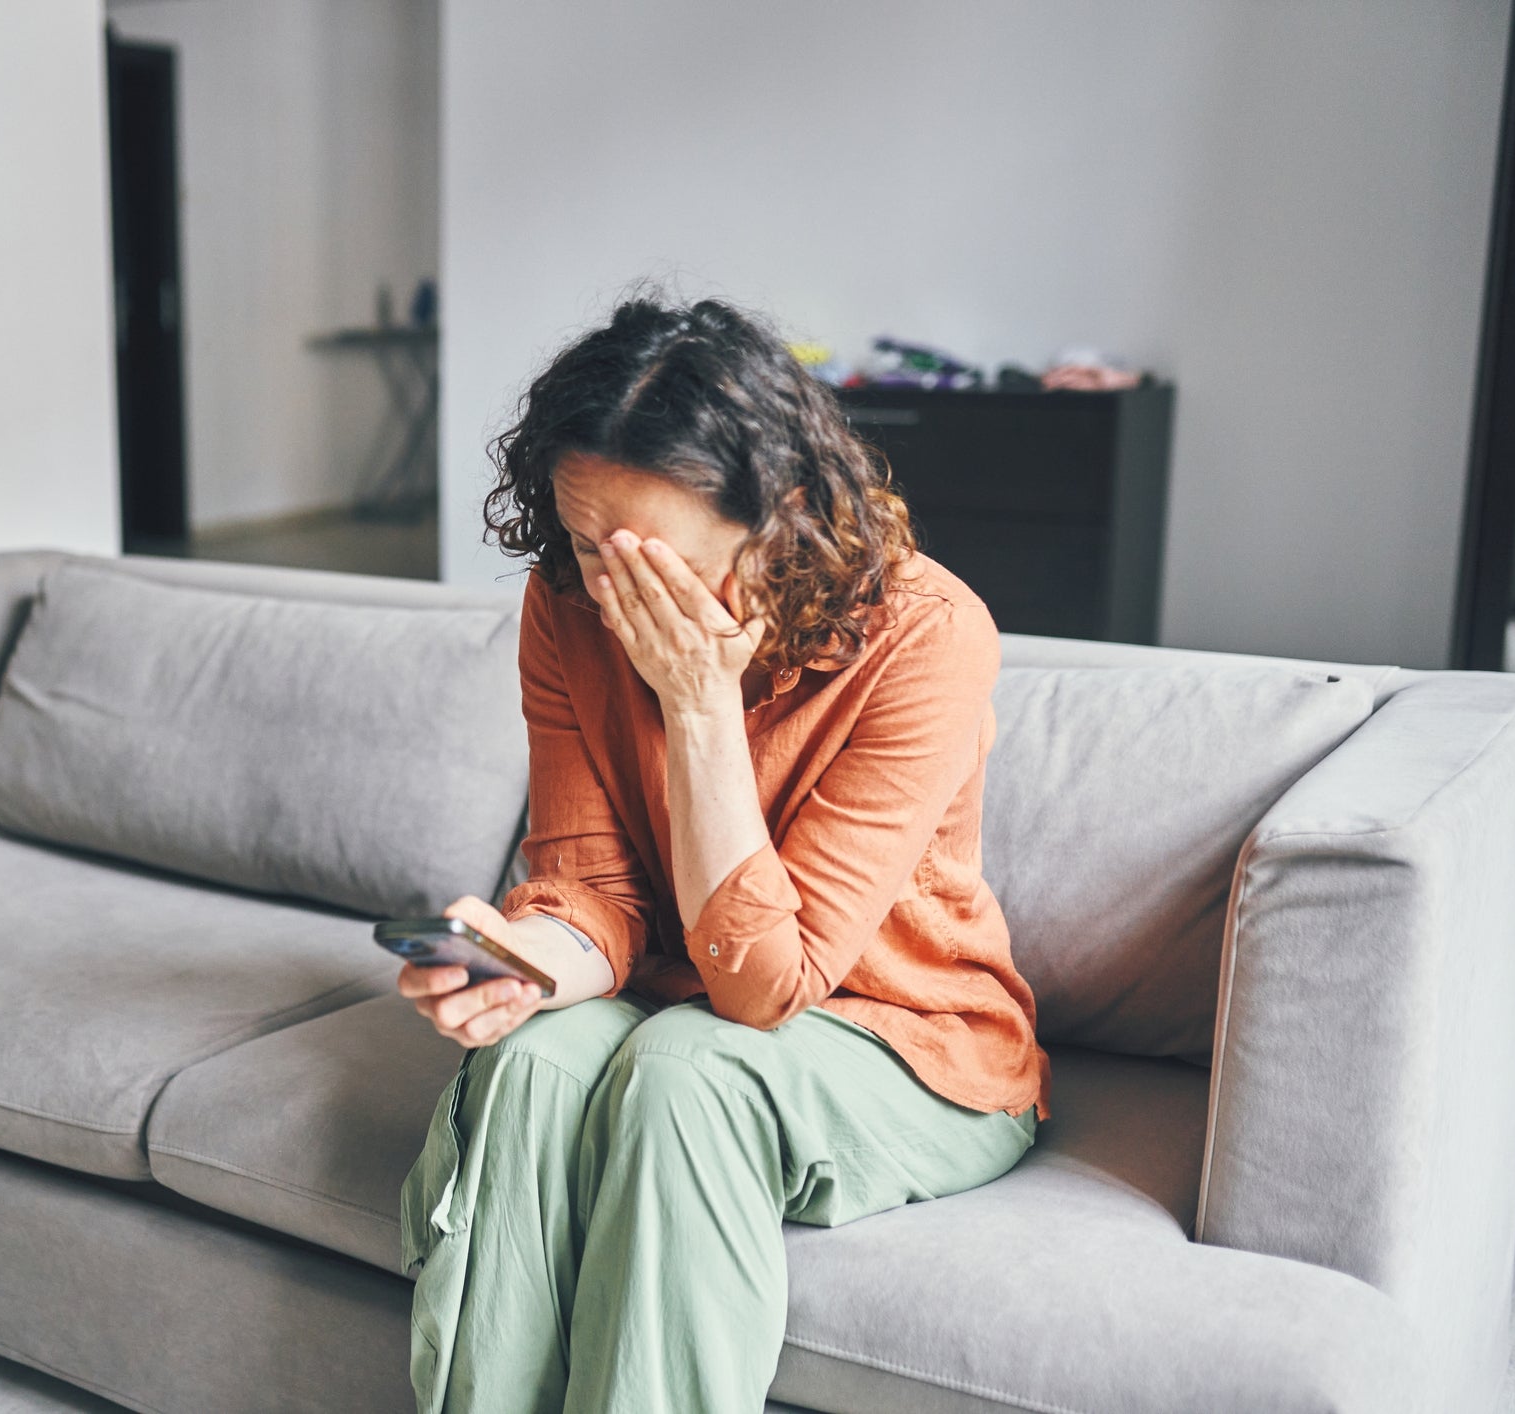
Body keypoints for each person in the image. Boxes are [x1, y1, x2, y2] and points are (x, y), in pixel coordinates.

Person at [394, 290, 1054, 1414]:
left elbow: (765, 989)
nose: (620, 601)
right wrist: (521, 964)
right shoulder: (569, 603)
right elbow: (594, 891)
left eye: (661, 570)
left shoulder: (927, 635)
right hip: (674, 995)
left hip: (905, 1037)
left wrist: (698, 709)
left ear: (782, 520)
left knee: (686, 1075)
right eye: (591, 550)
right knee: (531, 1064)